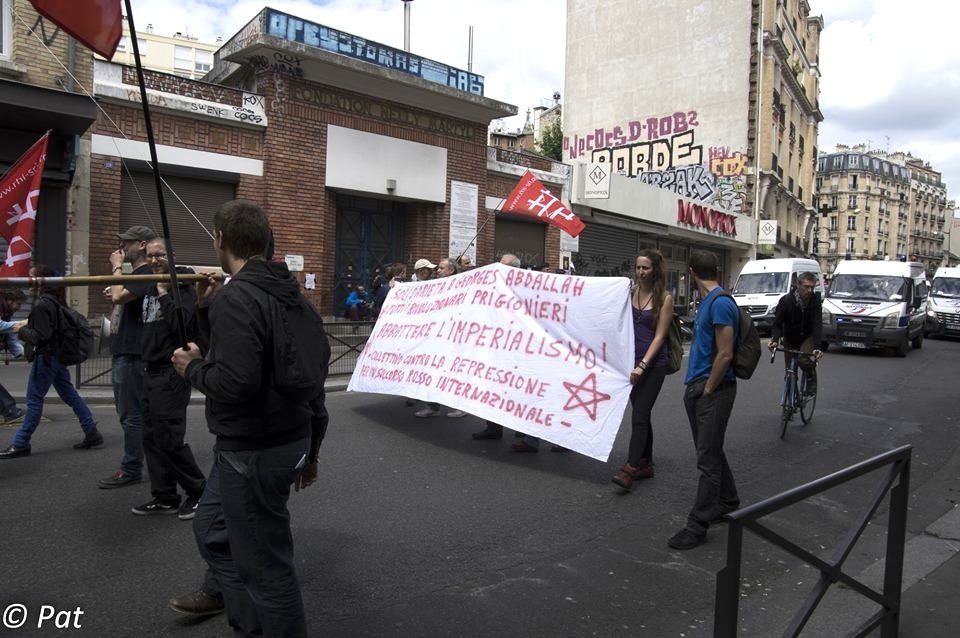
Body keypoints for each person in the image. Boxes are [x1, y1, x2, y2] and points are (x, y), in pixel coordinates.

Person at [170, 200, 323, 637]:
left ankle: (263, 619)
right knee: (212, 528)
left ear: (220, 239)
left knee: (267, 566)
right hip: (267, 445)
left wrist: (192, 369)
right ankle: (243, 612)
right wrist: (205, 309)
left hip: (255, 450)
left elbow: (235, 382)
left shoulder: (241, 296)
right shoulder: (285, 293)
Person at [130, 238, 207, 519]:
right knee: (150, 437)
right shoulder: (150, 285)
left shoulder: (181, 283)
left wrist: (164, 293)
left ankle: (198, 490)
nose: (154, 261)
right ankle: (164, 496)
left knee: (169, 437)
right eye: (149, 256)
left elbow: (183, 326)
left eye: (159, 255)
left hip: (172, 371)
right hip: (150, 369)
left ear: (171, 256)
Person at [668, 251, 740, 551]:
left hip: (713, 388)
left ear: (692, 271)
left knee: (707, 461)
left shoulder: (720, 303)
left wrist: (709, 388)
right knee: (711, 450)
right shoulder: (710, 302)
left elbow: (725, 353)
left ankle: (697, 525)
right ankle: (727, 501)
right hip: (701, 387)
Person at [0, 266, 101, 459]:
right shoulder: (56, 302)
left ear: (41, 281)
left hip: (46, 358)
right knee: (70, 394)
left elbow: (40, 337)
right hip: (57, 357)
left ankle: (21, 443)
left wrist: (22, 328)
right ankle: (91, 432)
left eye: (31, 279)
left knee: (34, 399)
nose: (28, 284)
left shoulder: (41, 305)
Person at [100, 225, 157, 489]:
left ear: (142, 244)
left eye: (127, 243)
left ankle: (131, 467)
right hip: (127, 350)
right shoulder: (137, 274)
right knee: (132, 413)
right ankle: (145, 461)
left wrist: (116, 267)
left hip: (133, 352)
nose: (122, 248)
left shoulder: (145, 273)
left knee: (131, 414)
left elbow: (120, 296)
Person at [612, 250, 674, 490]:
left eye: (645, 268)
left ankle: (630, 468)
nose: (640, 272)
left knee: (638, 415)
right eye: (638, 267)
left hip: (652, 366)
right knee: (642, 413)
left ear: (655, 270)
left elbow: (660, 337)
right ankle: (646, 463)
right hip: (630, 363)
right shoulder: (631, 293)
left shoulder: (664, 299)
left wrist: (643, 365)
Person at [415, 258, 466, 418]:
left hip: (454, 339)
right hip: (434, 338)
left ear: (451, 271)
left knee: (454, 373)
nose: (437, 271)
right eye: (438, 268)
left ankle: (460, 406)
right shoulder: (433, 285)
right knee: (430, 372)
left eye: (442, 268)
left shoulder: (463, 285)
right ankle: (433, 406)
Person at [768, 272, 823, 395]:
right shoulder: (786, 300)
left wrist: (817, 347)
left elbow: (817, 324)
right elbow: (777, 323)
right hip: (790, 337)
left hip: (807, 337)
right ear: (798, 285)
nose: (810, 290)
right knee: (789, 372)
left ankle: (811, 378)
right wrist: (774, 341)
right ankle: (790, 403)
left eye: (812, 287)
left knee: (802, 359)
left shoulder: (815, 301)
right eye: (807, 287)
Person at [0, 289, 27, 424]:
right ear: (9, 300)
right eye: (18, 304)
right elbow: (0, 326)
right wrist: (21, 323)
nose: (19, 308)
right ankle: (9, 410)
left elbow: (10, 335)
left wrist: (22, 353)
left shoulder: (6, 311)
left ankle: (8, 409)